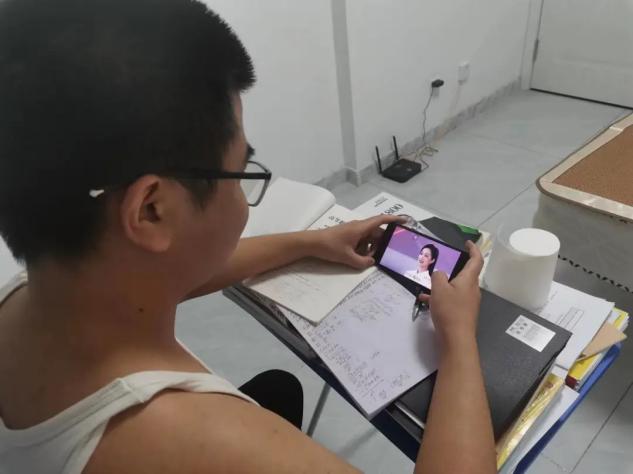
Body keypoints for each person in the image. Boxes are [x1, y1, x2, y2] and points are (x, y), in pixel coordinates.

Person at [0, 0, 496, 473]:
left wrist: (310, 242)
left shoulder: (32, 294)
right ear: (151, 209)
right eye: (241, 172)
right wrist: (457, 341)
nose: (243, 196)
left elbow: (175, 274)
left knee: (279, 389)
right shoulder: (194, 441)